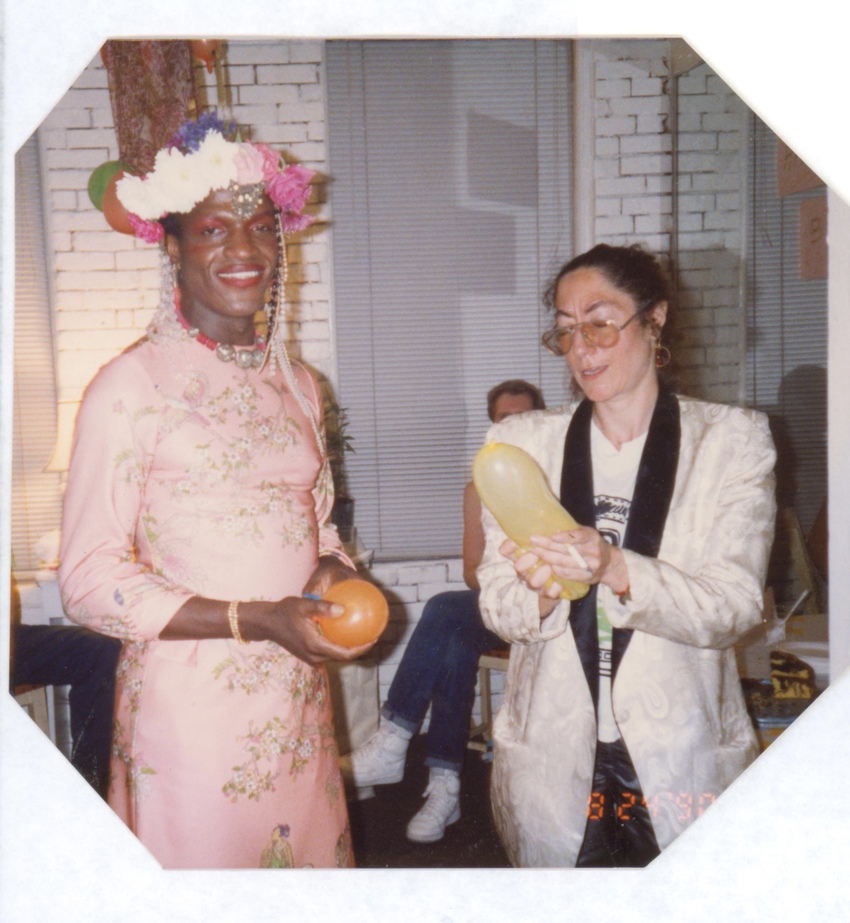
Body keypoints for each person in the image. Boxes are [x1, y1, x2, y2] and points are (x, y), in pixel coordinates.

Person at [58, 113, 376, 869]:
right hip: (189, 712)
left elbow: (318, 523)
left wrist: (335, 568)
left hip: (296, 701)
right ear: (171, 248)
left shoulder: (301, 384)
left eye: (262, 228)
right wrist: (253, 617)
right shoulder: (129, 386)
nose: (243, 250)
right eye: (212, 231)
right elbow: (88, 581)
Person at [477, 243, 776, 868]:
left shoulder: (731, 441)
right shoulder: (519, 443)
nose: (582, 348)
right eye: (565, 331)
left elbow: (735, 607)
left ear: (655, 317)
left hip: (680, 755)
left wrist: (615, 567)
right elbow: (499, 608)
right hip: (555, 758)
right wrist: (541, 588)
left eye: (600, 322)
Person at [342, 379, 545, 843]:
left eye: (522, 418)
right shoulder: (478, 489)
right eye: (502, 420)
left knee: (443, 612)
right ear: (492, 427)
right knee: (454, 640)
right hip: (499, 602)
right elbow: (475, 573)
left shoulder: (559, 480)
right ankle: (444, 788)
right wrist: (507, 579)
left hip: (548, 606)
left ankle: (398, 742)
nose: (512, 427)